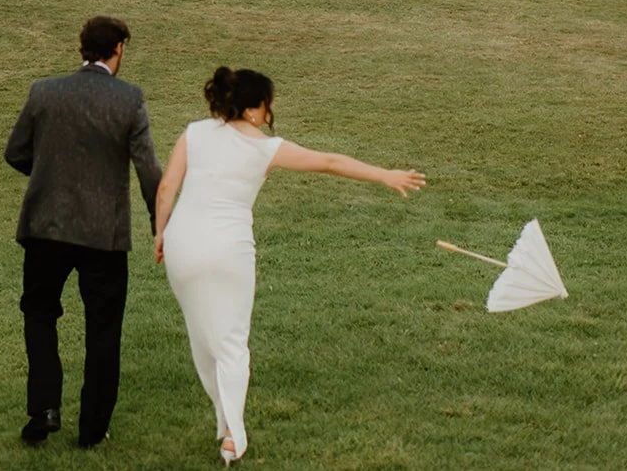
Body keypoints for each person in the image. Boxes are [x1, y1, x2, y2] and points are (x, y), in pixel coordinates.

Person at [154, 68, 425, 464]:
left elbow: (166, 188)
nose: (269, 111)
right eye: (267, 104)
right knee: (230, 341)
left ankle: (226, 422)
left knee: (203, 338)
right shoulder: (265, 147)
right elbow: (330, 161)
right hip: (228, 249)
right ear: (250, 109)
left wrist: (162, 233)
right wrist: (384, 175)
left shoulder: (194, 133)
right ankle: (233, 435)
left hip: (181, 244)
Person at [5, 16, 162, 448]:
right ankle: (92, 430)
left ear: (82, 49)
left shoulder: (45, 91)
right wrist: (160, 221)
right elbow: (149, 171)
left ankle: (44, 409)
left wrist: (48, 177)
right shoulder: (129, 100)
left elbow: (15, 152)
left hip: (45, 228)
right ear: (119, 49)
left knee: (39, 313)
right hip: (103, 236)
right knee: (103, 329)